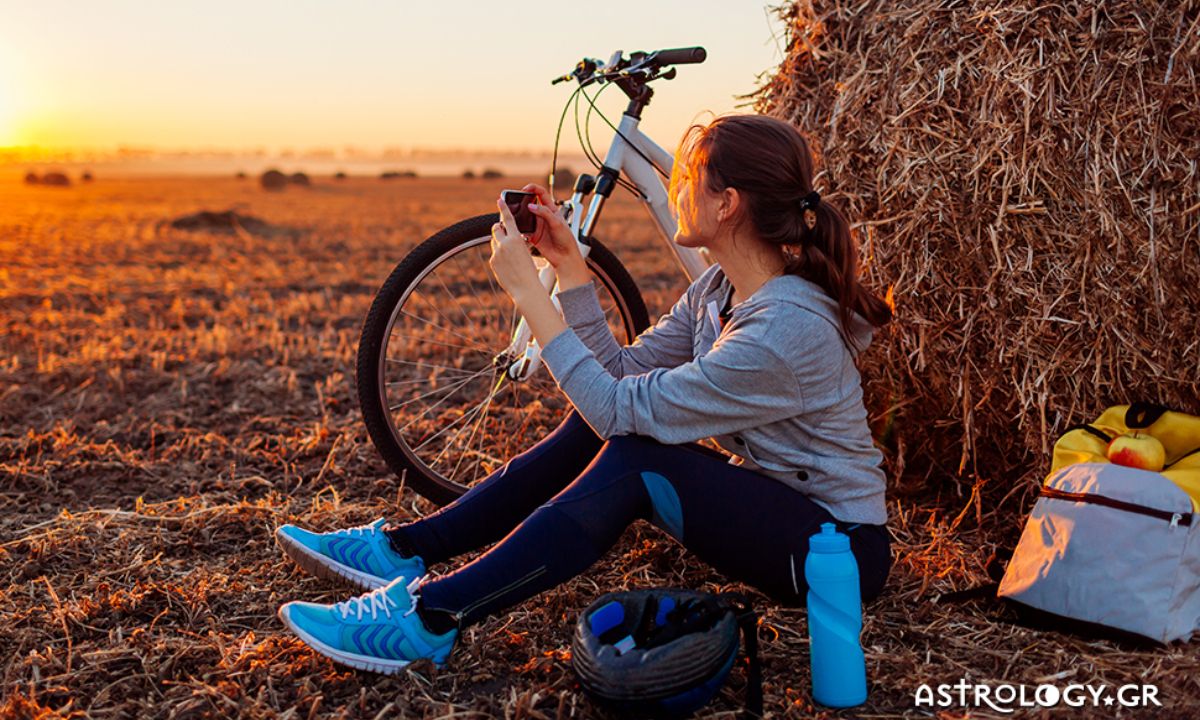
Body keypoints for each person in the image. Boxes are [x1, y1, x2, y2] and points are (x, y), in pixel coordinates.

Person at [274, 114, 895, 673]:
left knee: (635, 457)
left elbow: (616, 407)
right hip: (780, 508)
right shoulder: (717, 292)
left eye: (690, 179)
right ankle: (407, 551)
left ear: (728, 204)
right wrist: (572, 269)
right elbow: (621, 374)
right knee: (609, 432)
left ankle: (430, 618)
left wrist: (532, 300)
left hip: (835, 552)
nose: (677, 190)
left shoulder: (786, 330)